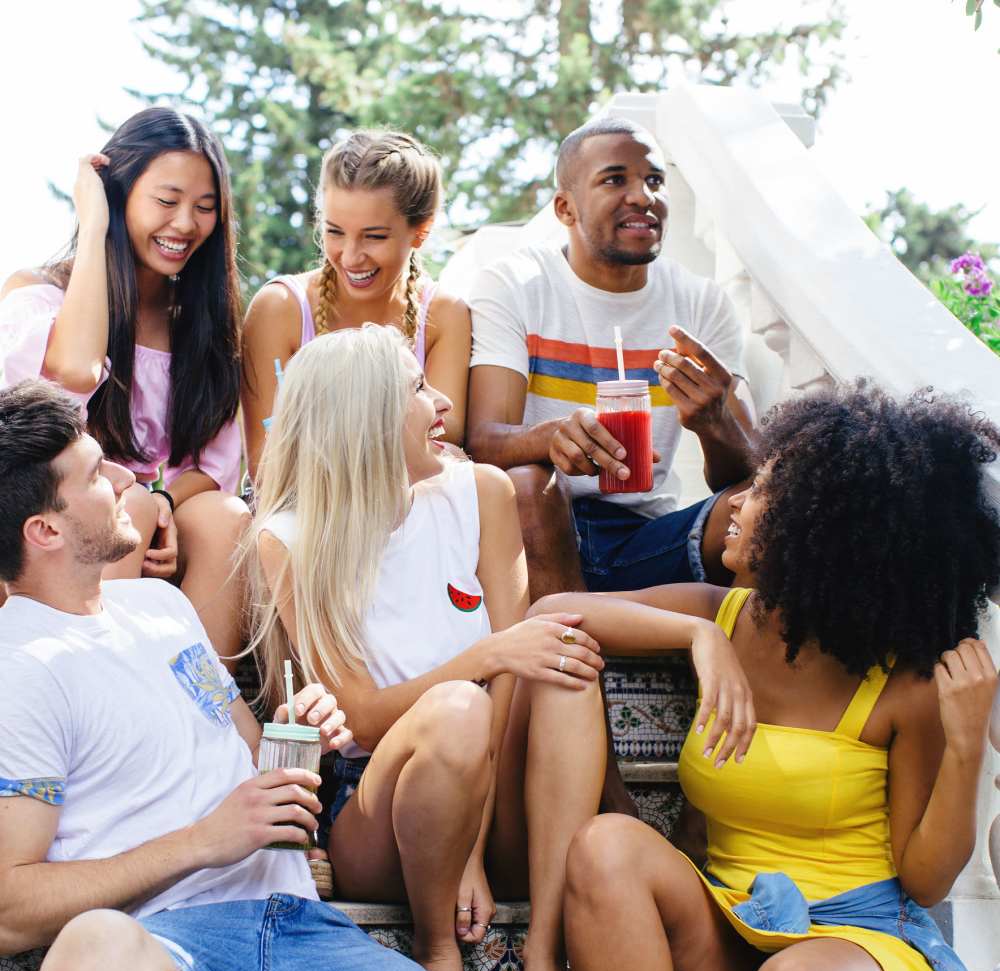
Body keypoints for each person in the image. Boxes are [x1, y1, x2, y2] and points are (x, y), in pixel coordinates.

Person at [0, 378, 552, 971]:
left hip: (297, 927)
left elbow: (252, 756)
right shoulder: (22, 667)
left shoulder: (161, 607)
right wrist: (205, 841)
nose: (127, 480)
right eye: (98, 475)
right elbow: (9, 907)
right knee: (84, 963)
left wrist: (304, 741)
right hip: (162, 946)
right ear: (44, 530)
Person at [246, 323, 755, 971]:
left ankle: (544, 967)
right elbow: (355, 714)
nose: (441, 399)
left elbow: (519, 666)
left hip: (497, 799)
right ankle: (438, 952)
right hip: (380, 810)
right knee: (462, 704)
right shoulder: (288, 538)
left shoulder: (478, 493)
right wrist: (481, 657)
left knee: (558, 644)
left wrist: (474, 846)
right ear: (365, 417)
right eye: (415, 390)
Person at [551, 384, 1000, 971]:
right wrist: (698, 635)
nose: (735, 505)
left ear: (828, 535)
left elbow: (925, 880)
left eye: (764, 493)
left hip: (862, 964)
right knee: (606, 847)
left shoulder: (904, 686)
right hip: (732, 939)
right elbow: (554, 613)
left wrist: (970, 747)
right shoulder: (722, 616)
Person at [466, 115, 758, 602]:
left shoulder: (700, 302)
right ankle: (571, 660)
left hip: (648, 536)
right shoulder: (516, 284)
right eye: (615, 179)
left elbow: (746, 471)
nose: (643, 196)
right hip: (537, 524)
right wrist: (552, 436)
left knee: (769, 505)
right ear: (565, 208)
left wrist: (714, 422)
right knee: (525, 482)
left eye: (654, 181)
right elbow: (481, 440)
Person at [0, 107, 249, 664]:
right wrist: (95, 227)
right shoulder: (38, 295)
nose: (185, 224)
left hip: (141, 514)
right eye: (166, 201)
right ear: (118, 195)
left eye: (204, 208)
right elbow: (74, 374)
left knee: (223, 518)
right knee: (127, 504)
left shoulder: (199, 323)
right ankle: (105, 695)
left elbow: (213, 468)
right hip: (45, 512)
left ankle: (207, 713)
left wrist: (163, 502)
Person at [241, 129, 471, 482]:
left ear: (420, 232)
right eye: (335, 232)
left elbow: (444, 448)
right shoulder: (280, 308)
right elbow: (265, 464)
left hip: (411, 509)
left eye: (374, 236)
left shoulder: (444, 314)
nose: (350, 257)